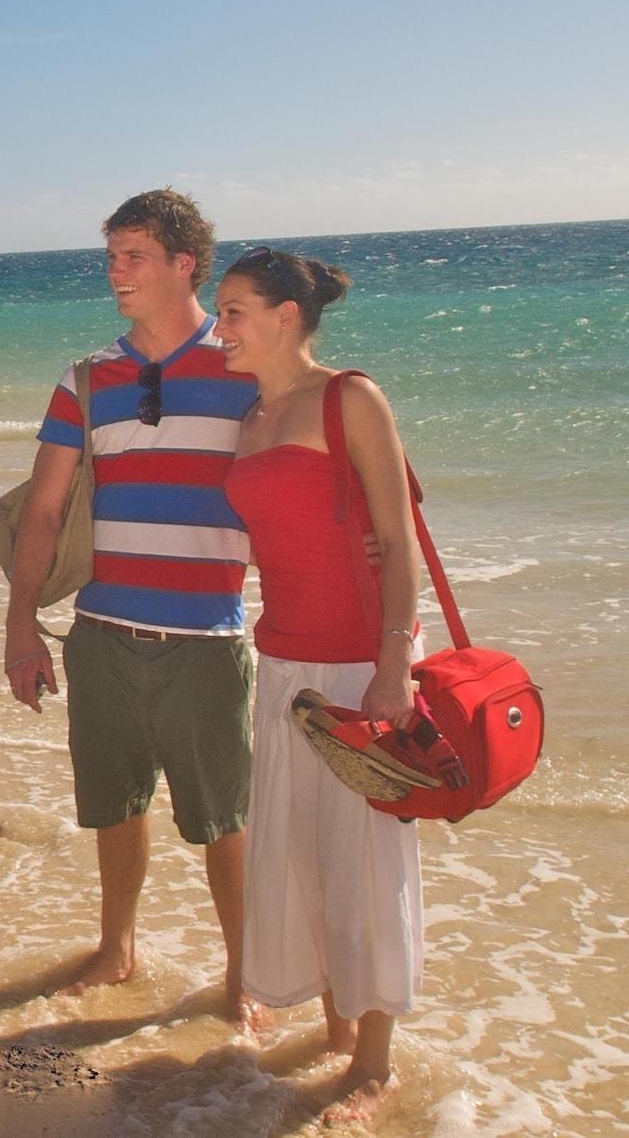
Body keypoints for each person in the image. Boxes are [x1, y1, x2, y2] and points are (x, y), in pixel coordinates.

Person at [1, 190, 262, 1017]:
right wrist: (20, 626)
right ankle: (117, 948)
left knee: (224, 818)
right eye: (111, 255)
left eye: (134, 255)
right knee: (115, 805)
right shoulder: (86, 380)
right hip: (103, 633)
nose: (116, 271)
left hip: (207, 637)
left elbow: (293, 488)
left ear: (185, 263)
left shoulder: (246, 369)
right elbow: (45, 511)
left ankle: (244, 972)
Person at [214, 247, 423, 1120]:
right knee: (304, 850)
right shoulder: (251, 415)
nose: (220, 327)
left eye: (233, 311)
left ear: (287, 315)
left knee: (364, 862)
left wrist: (393, 664)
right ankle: (339, 1033)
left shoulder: (350, 398)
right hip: (284, 659)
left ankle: (373, 1065)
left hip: (355, 664)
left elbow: (398, 539)